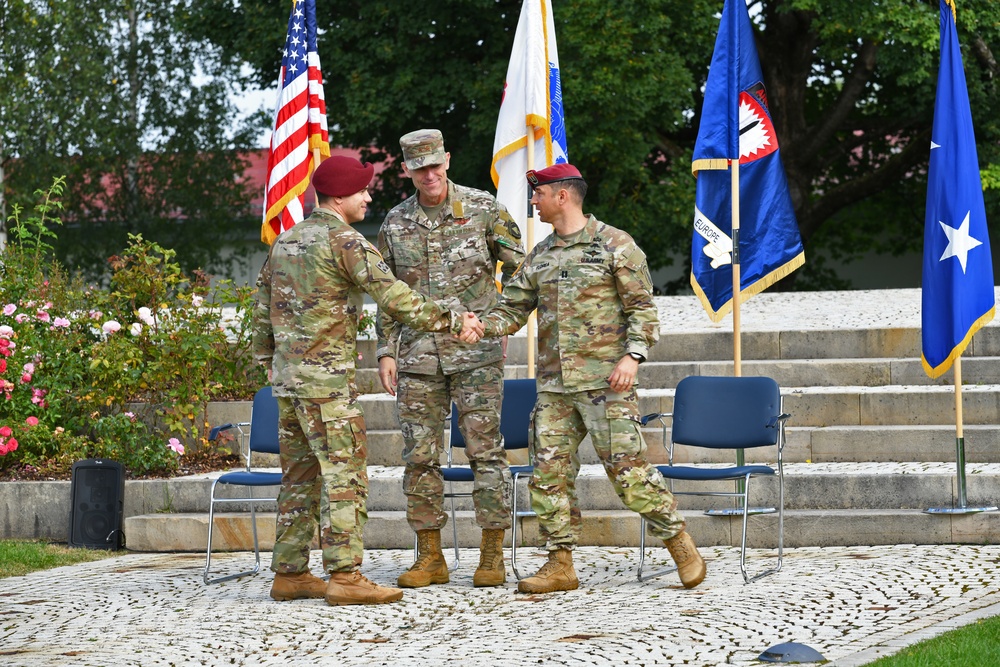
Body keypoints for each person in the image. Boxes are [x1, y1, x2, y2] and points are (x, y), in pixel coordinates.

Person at [251, 155, 483, 606]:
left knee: (299, 479)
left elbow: (263, 312)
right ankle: (345, 575)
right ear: (340, 197)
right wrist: (454, 319)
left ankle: (291, 572)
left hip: (289, 385)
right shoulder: (346, 242)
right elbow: (395, 297)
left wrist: (270, 363)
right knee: (345, 478)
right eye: (363, 191)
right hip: (328, 389)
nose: (369, 197)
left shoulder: (287, 241)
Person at [466, 163, 706, 593]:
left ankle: (679, 542)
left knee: (629, 474)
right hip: (555, 387)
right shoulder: (540, 255)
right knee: (548, 474)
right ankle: (560, 564)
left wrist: (633, 357)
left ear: (562, 196)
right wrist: (478, 325)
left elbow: (643, 310)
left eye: (538, 194)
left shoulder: (616, 244)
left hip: (606, 384)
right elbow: (512, 309)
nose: (533, 202)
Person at [376, 129, 525, 588]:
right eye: (419, 168)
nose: (430, 174)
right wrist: (385, 351)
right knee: (420, 457)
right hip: (418, 357)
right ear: (407, 171)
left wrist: (498, 322)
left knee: (486, 453)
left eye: (436, 165)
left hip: (475, 355)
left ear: (448, 159)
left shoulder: (484, 209)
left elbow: (523, 273)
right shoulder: (395, 222)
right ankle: (430, 557)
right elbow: (384, 293)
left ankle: (493, 554)